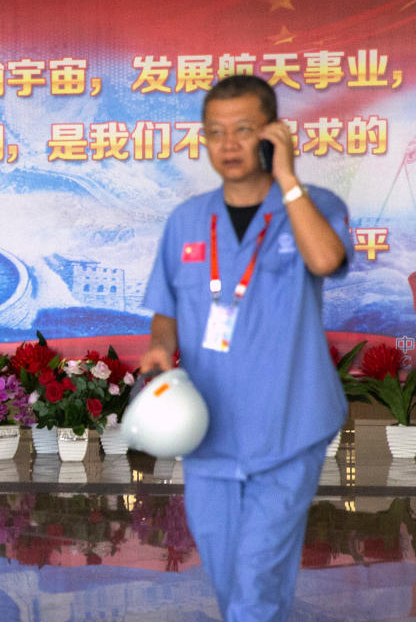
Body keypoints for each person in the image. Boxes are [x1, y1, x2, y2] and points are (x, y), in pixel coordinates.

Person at [140, 75, 353, 621]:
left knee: (256, 581)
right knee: (231, 576)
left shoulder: (314, 205)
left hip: (288, 427)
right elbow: (166, 312)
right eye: (215, 132)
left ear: (272, 134)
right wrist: (160, 350)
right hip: (208, 434)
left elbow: (326, 261)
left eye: (243, 130)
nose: (228, 145)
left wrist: (289, 179)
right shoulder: (186, 221)